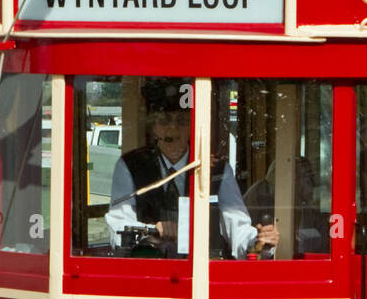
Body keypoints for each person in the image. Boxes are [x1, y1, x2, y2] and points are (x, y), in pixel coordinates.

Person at [106, 80, 277, 259]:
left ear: (191, 127)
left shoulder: (217, 170)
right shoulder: (130, 165)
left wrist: (258, 242)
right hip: (150, 273)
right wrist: (152, 230)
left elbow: (237, 228)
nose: (173, 128)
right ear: (154, 128)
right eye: (164, 121)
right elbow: (118, 225)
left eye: (182, 121)